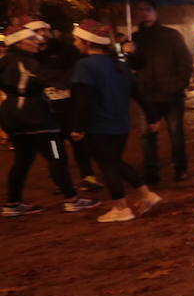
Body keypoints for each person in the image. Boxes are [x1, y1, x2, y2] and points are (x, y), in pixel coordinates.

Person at [68, 19, 164, 222]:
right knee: (115, 162)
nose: (74, 43)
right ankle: (147, 195)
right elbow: (139, 93)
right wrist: (152, 116)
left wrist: (78, 126)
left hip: (99, 124)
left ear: (87, 42)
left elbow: (82, 99)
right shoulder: (120, 65)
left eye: (77, 40)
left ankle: (120, 207)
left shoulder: (84, 66)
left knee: (108, 165)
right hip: (121, 124)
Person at [2, 24, 98, 216]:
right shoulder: (26, 62)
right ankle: (72, 199)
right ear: (19, 42)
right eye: (31, 39)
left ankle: (12, 203)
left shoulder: (5, 61)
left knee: (22, 160)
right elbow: (50, 79)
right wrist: (78, 68)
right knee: (57, 157)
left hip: (13, 117)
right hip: (37, 119)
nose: (36, 42)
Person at [127, 0, 192, 184]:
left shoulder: (171, 35)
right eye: (140, 9)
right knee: (147, 136)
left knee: (176, 134)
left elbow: (184, 62)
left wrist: (178, 85)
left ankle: (180, 168)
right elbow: (135, 66)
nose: (144, 13)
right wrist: (130, 54)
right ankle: (151, 172)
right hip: (147, 96)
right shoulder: (135, 38)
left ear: (155, 12)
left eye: (148, 9)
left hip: (172, 95)